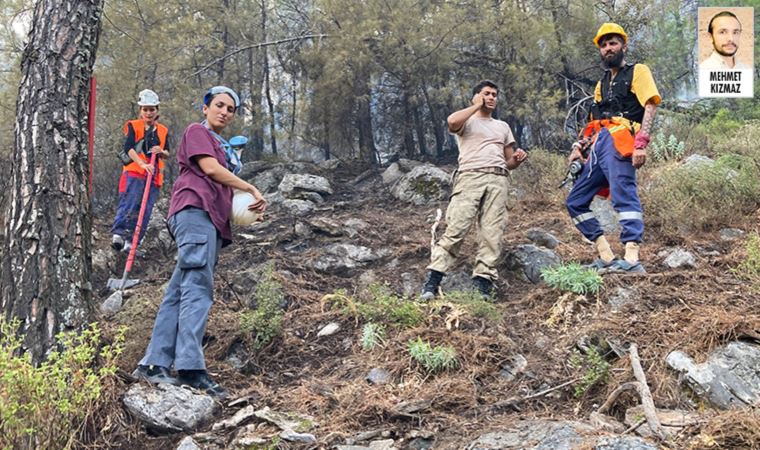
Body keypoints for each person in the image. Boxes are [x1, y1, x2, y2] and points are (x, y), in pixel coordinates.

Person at [132, 86, 267, 398]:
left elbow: (223, 182)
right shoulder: (197, 132)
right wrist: (251, 188)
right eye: (219, 105)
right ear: (205, 108)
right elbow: (209, 169)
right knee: (198, 290)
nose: (224, 112)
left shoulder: (223, 147)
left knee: (179, 291)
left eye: (230, 109)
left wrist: (247, 207)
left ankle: (154, 364)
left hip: (208, 220)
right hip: (195, 212)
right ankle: (191, 369)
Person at [565, 23, 661, 273]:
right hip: (599, 144)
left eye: (613, 43)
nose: (608, 48)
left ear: (624, 45)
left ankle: (631, 259)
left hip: (623, 139)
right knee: (575, 200)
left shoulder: (637, 71)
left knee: (622, 194)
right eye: (604, 45)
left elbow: (650, 105)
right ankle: (605, 255)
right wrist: (579, 147)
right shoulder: (601, 84)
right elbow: (594, 122)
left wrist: (642, 143)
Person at [420, 80, 528, 301]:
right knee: (456, 228)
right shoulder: (466, 120)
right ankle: (433, 281)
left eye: (494, 95)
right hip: (470, 176)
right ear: (476, 96)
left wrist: (517, 160)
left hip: (498, 178)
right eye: (486, 94)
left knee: (492, 233)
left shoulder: (502, 126)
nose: (491, 98)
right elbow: (451, 122)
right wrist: (476, 106)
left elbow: (508, 161)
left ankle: (483, 283)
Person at [111, 89, 170, 253]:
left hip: (154, 177)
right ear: (140, 110)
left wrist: (161, 151)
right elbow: (128, 148)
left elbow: (167, 153)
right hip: (135, 173)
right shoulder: (133, 126)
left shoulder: (163, 130)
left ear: (157, 110)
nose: (149, 112)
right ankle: (119, 234)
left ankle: (133, 241)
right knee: (130, 202)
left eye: (152, 109)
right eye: (145, 109)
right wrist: (142, 164)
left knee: (146, 209)